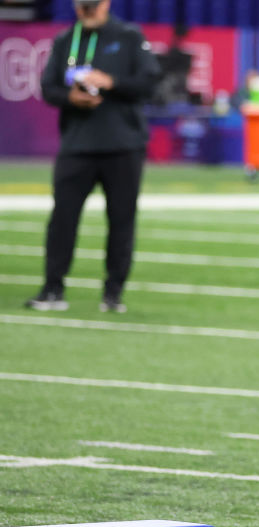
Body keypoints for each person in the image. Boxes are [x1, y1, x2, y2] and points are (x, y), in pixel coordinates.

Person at [25, 0, 160, 313]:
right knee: (62, 218)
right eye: (81, 6)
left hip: (123, 144)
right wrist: (71, 97)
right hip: (77, 144)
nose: (86, 12)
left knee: (121, 219)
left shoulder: (128, 36)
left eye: (92, 6)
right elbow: (48, 88)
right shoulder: (64, 40)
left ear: (106, 4)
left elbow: (149, 82)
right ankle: (52, 288)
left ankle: (113, 292)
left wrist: (111, 82)